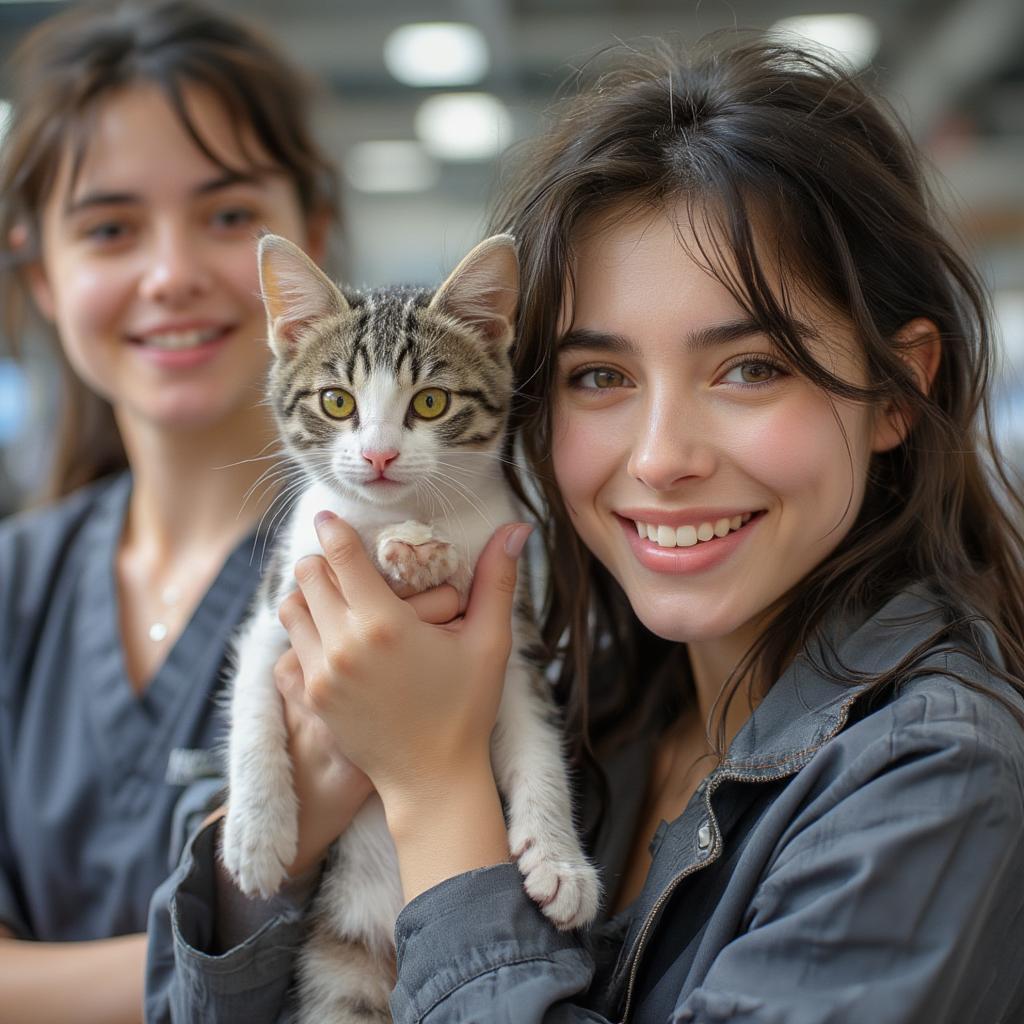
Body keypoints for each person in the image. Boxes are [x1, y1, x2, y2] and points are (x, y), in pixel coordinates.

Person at [147, 36, 1024, 1024]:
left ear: (899, 388)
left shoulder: (937, 778)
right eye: (598, 376)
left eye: (749, 367)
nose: (659, 457)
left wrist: (437, 790)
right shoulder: (598, 686)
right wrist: (298, 816)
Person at [0, 2, 342, 1021]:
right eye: (109, 227)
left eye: (230, 215)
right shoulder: (16, 586)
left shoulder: (399, 575)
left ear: (311, 241)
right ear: (43, 277)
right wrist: (233, 951)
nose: (172, 273)